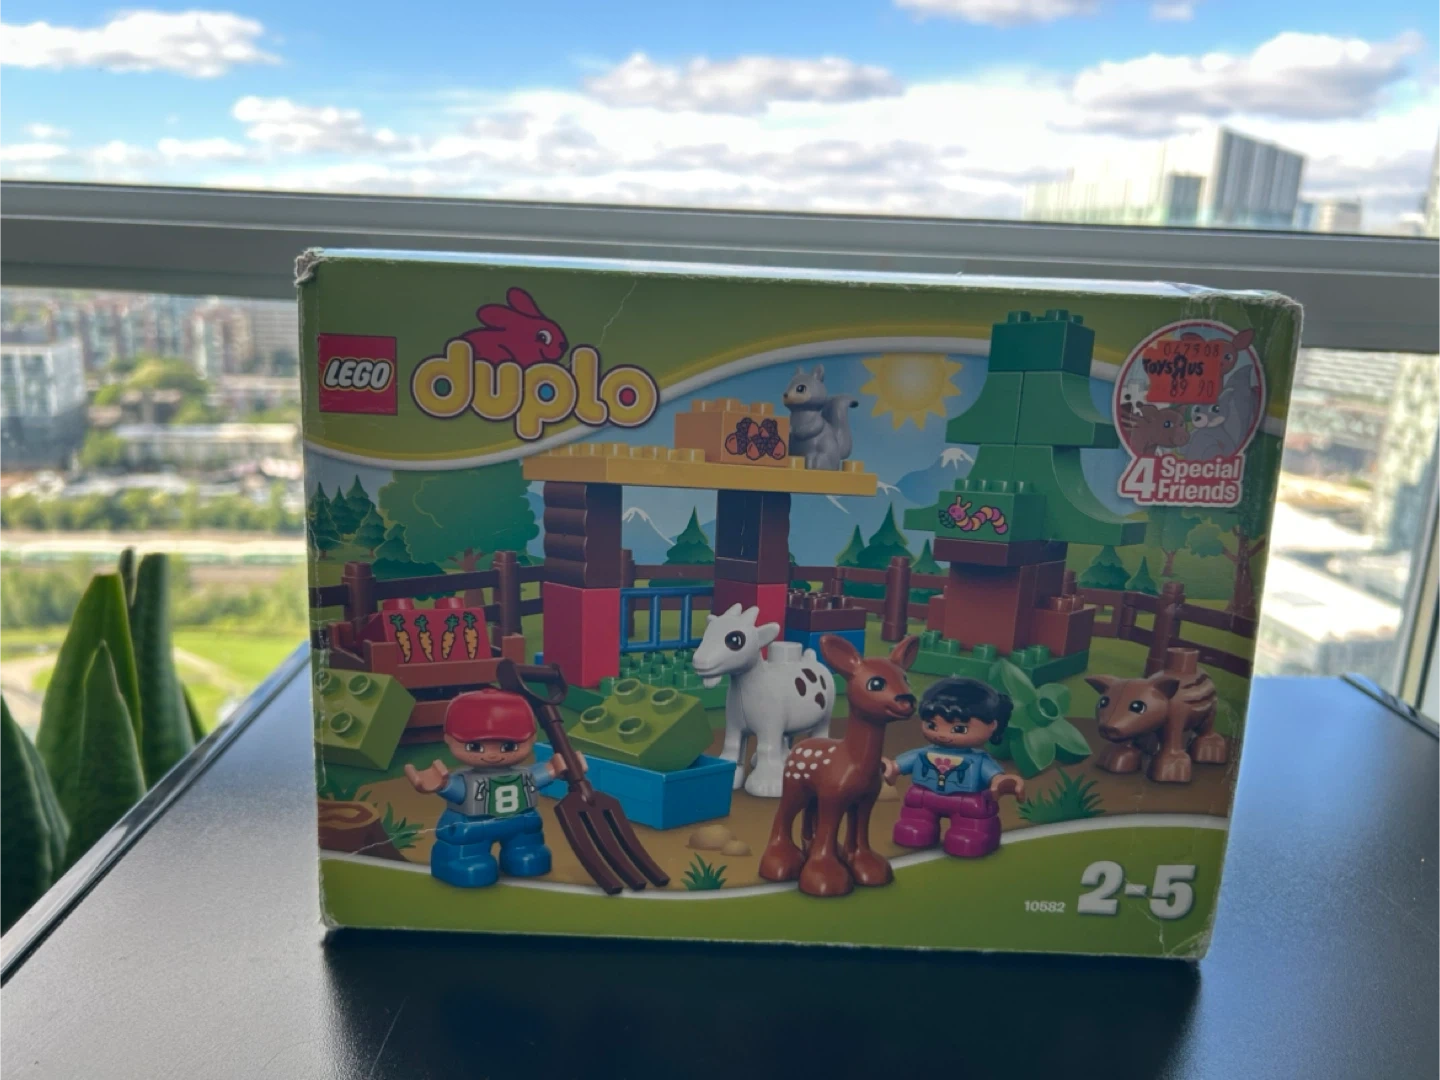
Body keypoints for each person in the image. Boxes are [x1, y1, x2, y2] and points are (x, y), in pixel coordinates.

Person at [405, 687, 585, 888]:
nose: (492, 755)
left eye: (508, 746)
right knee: (469, 856)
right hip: (474, 827)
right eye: (476, 747)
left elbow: (543, 774)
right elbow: (456, 790)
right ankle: (459, 861)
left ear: (532, 738)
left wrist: (562, 767)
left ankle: (522, 851)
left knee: (527, 847)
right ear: (449, 739)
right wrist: (440, 784)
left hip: (520, 823)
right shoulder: (466, 780)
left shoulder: (523, 775)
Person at [885, 677, 1025, 858]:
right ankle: (918, 823)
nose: (942, 735)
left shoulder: (979, 760)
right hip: (924, 797)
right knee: (916, 815)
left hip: (966, 802)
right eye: (932, 725)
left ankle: (974, 832)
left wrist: (1001, 782)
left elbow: (995, 777)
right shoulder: (924, 753)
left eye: (959, 729)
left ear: (992, 725)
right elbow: (900, 764)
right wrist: (891, 768)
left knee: (971, 825)